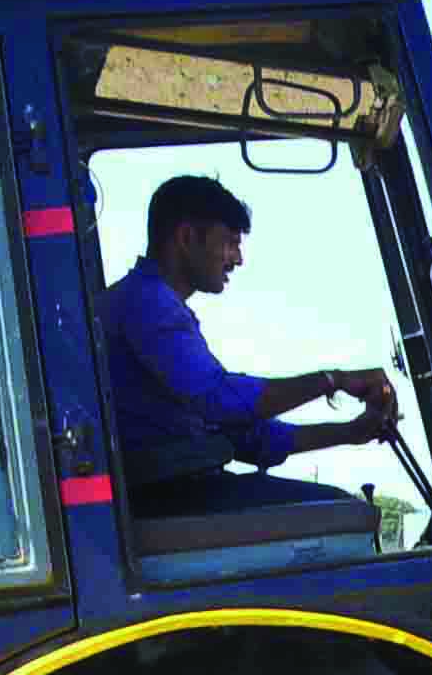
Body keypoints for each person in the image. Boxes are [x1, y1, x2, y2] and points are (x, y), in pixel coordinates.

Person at [102, 174, 402, 514]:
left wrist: (351, 432)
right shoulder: (147, 303)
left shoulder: (151, 304)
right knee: (343, 514)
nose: (238, 259)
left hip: (178, 486)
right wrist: (334, 380)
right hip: (168, 494)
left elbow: (245, 435)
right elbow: (221, 402)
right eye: (230, 243)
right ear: (186, 238)